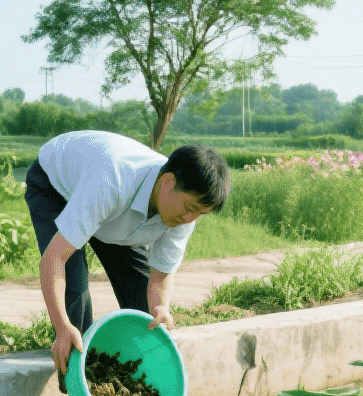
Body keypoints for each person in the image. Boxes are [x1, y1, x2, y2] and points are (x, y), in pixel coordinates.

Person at [24, 132, 231, 379]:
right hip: (57, 185)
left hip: (113, 212)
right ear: (167, 182)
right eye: (189, 209)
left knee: (147, 320)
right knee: (74, 296)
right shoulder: (113, 179)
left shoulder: (185, 212)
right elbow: (53, 259)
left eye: (199, 213)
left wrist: (160, 308)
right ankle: (79, 383)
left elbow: (161, 275)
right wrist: (61, 326)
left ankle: (132, 382)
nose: (189, 220)